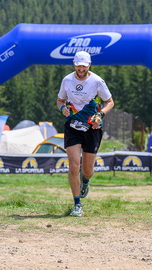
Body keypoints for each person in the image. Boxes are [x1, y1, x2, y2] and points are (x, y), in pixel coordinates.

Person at [57, 51, 114, 217]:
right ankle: (77, 205)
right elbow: (60, 100)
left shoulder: (97, 81)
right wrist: (62, 108)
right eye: (78, 66)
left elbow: (110, 102)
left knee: (87, 170)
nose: (81, 69)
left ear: (89, 65)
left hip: (92, 128)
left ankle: (86, 181)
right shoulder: (67, 80)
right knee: (74, 166)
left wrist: (100, 115)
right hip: (72, 126)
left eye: (84, 66)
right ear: (74, 64)